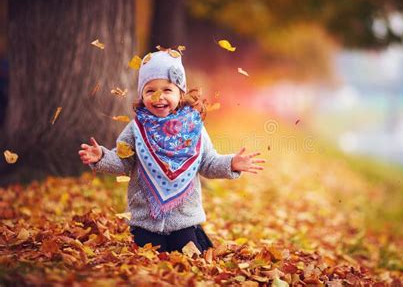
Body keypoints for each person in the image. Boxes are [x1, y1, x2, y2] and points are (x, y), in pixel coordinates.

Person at [78, 49, 265, 254]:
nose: (159, 97)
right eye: (150, 91)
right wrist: (102, 157)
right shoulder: (136, 128)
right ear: (142, 95)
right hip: (146, 220)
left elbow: (208, 162)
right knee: (147, 254)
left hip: (183, 219)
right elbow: (123, 162)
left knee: (187, 253)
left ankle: (191, 237)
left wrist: (230, 163)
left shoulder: (194, 128)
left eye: (167, 90)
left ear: (180, 93)